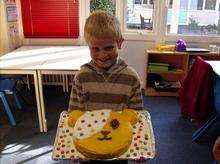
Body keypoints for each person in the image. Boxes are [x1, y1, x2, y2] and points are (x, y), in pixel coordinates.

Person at [68, 10, 143, 112]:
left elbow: (137, 117)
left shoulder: (132, 78)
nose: (102, 55)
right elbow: (74, 115)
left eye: (108, 48)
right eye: (95, 49)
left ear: (120, 43)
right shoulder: (81, 78)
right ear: (88, 45)